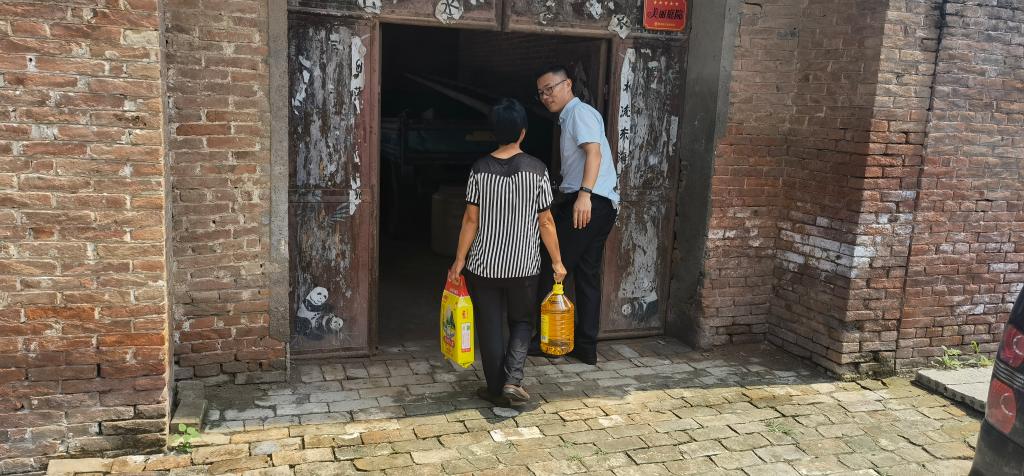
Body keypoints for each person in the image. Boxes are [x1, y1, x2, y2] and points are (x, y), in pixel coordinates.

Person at [448, 98, 568, 406]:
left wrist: (459, 260)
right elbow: (546, 221)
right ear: (523, 132)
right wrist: (557, 261)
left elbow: (470, 219)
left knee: (489, 327)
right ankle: (513, 380)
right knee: (522, 322)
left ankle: (495, 389)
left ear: (494, 132)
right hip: (524, 266)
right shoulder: (538, 170)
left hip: (483, 266)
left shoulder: (479, 169)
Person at [530, 65, 620, 365]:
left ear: (567, 84)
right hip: (599, 203)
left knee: (553, 264)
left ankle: (546, 340)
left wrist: (584, 194)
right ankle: (586, 346)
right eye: (541, 93)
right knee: (586, 275)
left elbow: (594, 153)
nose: (546, 96)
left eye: (550, 89)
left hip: (589, 202)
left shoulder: (579, 113)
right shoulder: (571, 117)